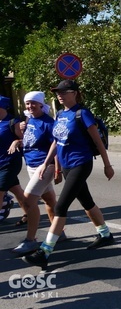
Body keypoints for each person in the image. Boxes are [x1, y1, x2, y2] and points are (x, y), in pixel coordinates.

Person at [23, 80, 115, 269]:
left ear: (74, 93)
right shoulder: (60, 114)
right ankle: (105, 234)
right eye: (58, 92)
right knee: (86, 201)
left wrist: (107, 165)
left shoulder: (83, 114)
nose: (60, 95)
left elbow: (98, 142)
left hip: (81, 163)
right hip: (66, 165)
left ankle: (45, 251)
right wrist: (46, 163)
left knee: (61, 207)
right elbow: (56, 141)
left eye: (64, 92)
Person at [12, 92, 64, 254]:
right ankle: (58, 233)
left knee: (27, 201)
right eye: (27, 103)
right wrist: (17, 140)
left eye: (33, 103)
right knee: (48, 199)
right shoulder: (28, 120)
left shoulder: (49, 123)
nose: (30, 106)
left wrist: (57, 169)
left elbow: (56, 146)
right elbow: (30, 141)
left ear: (41, 104)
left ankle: (31, 240)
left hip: (44, 166)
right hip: (31, 165)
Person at [0, 96, 27, 235]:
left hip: (10, 162)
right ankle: (29, 213)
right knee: (16, 190)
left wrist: (16, 141)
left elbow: (24, 139)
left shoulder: (12, 122)